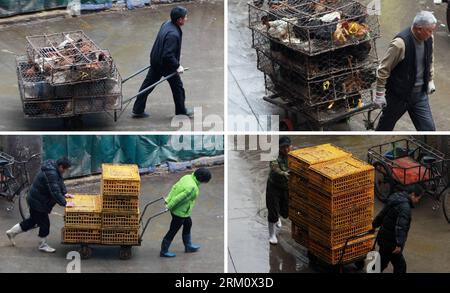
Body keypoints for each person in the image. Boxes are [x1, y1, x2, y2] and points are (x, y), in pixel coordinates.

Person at [375, 11, 437, 131]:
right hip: (399, 97)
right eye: (429, 30)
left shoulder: (429, 39)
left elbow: (430, 59)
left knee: (429, 130)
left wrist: (430, 79)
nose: (431, 33)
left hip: (419, 96)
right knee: (384, 129)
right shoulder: (400, 44)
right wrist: (379, 94)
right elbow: (384, 69)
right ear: (419, 29)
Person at [132, 6, 193, 118]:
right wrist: (177, 66)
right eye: (185, 17)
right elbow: (168, 55)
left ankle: (138, 109)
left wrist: (176, 55)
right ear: (179, 20)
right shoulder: (173, 35)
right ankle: (181, 111)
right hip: (165, 65)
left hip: (155, 60)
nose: (186, 19)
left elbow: (164, 46)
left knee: (147, 85)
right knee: (178, 88)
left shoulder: (167, 24)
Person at [6, 157, 74, 253]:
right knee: (45, 224)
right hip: (38, 202)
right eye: (65, 169)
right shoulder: (51, 173)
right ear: (61, 166)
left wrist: (65, 193)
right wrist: (65, 203)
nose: (65, 171)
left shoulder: (54, 169)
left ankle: (11, 233)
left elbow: (60, 182)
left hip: (36, 200)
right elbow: (54, 191)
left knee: (32, 221)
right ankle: (42, 245)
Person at [160, 168, 212, 257]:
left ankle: (188, 246)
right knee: (173, 230)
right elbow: (179, 198)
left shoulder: (187, 177)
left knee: (188, 223)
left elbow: (175, 187)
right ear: (202, 179)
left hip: (183, 211)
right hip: (180, 212)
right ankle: (164, 251)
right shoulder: (192, 187)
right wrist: (169, 206)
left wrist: (168, 199)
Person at [372, 185, 424, 273]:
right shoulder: (405, 208)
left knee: (382, 263)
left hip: (384, 237)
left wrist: (374, 225)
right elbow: (401, 227)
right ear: (413, 194)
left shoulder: (396, 198)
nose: (418, 201)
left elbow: (383, 213)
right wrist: (399, 244)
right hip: (391, 242)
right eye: (418, 198)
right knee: (400, 266)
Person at [266, 136, 291, 245]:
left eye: (288, 146)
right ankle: (272, 235)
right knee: (273, 211)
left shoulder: (292, 155)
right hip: (274, 186)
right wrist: (283, 173)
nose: (286, 149)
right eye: (283, 147)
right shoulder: (274, 155)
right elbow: (274, 167)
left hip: (285, 187)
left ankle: (278, 216)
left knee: (285, 212)